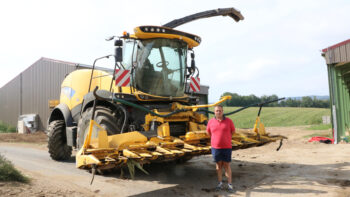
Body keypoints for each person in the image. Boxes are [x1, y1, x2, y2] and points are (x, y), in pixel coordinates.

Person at [206, 105, 235, 192]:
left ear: (223, 111)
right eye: (217, 111)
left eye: (220, 110)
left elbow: (233, 131)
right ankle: (220, 183)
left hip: (226, 147)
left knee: (226, 165)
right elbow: (208, 132)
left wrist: (226, 138)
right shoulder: (211, 122)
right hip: (216, 148)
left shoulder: (229, 121)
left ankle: (230, 185)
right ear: (214, 112)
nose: (218, 112)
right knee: (218, 166)